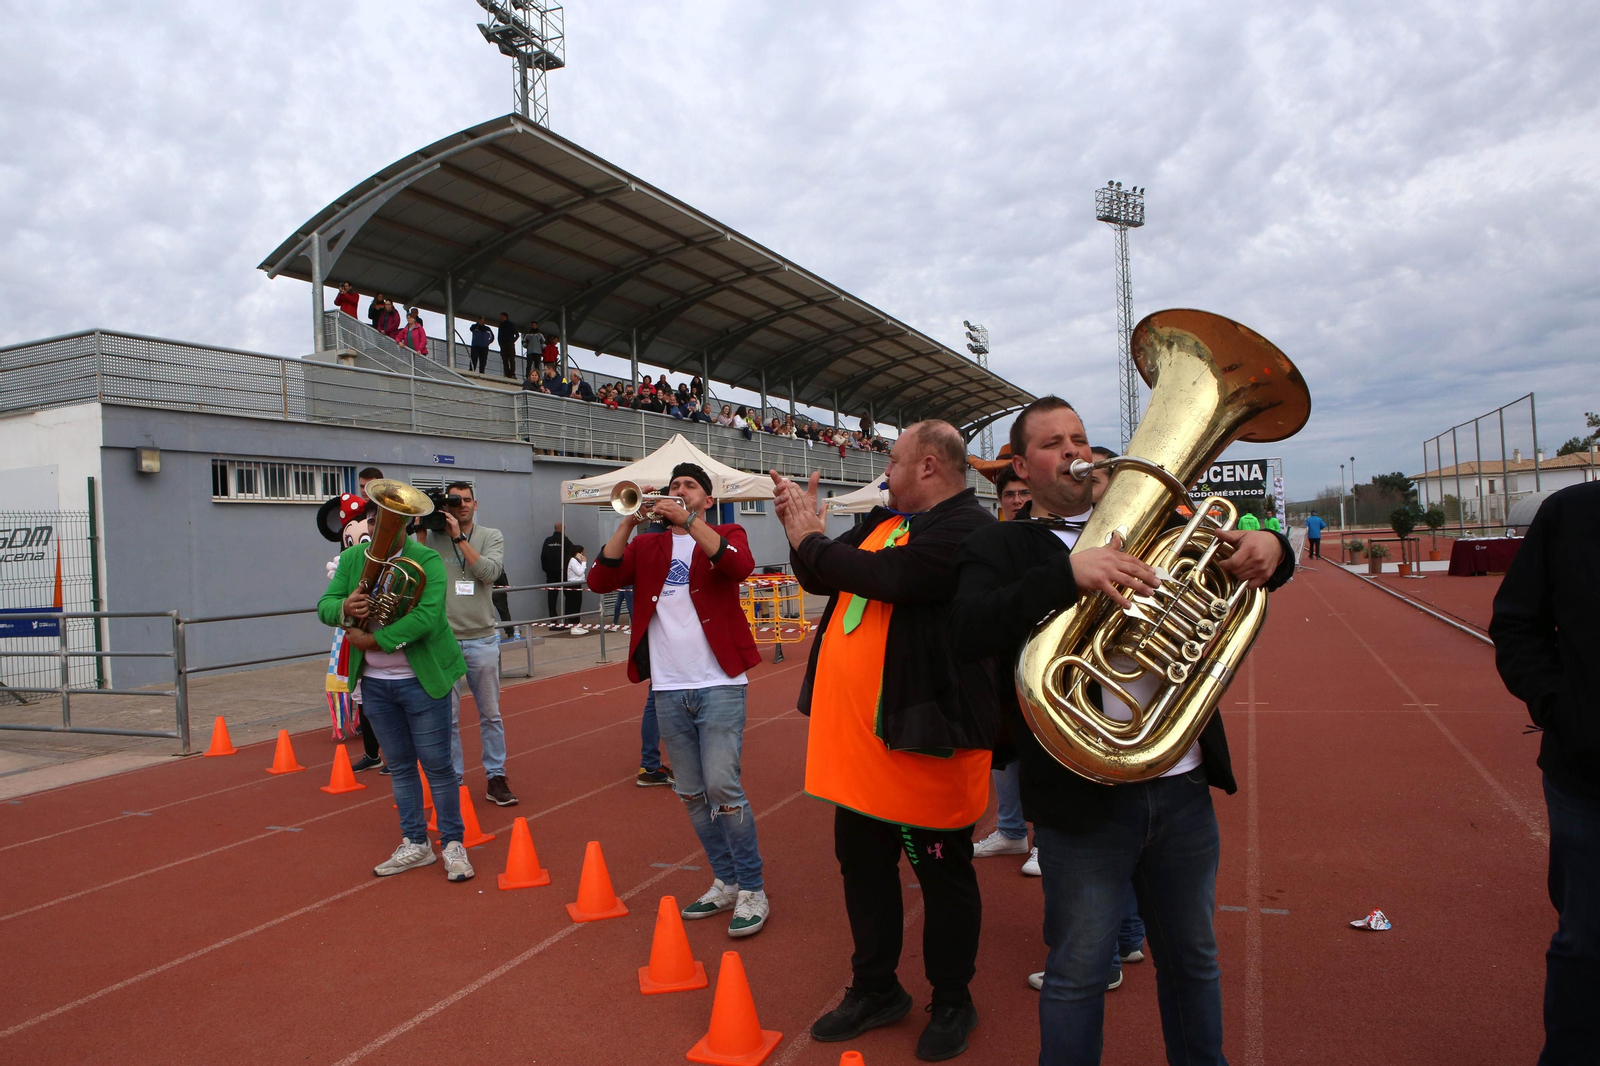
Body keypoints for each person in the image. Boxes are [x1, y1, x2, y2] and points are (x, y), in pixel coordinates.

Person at [949, 396, 1294, 1066]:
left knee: (1193, 960)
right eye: (1053, 443)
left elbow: (1259, 566)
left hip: (1181, 785)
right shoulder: (999, 543)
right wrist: (1065, 575)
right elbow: (965, 631)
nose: (1075, 450)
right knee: (1078, 971)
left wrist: (1273, 550)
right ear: (1021, 465)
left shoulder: (1165, 522)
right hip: (1081, 799)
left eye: (1080, 436)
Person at [771, 421, 996, 1061]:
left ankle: (953, 998)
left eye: (892, 461)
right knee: (863, 868)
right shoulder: (882, 521)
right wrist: (802, 534)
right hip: (857, 749)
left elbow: (888, 579)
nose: (884, 472)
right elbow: (822, 574)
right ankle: (876, 988)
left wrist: (811, 538)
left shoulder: (968, 529)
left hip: (924, 744)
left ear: (927, 466)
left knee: (943, 873)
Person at [586, 462, 768, 938]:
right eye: (673, 487)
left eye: (689, 487)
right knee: (690, 793)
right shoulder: (648, 544)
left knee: (723, 787)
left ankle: (751, 886)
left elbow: (739, 566)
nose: (678, 491)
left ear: (707, 499)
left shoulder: (727, 530)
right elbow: (600, 581)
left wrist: (689, 522)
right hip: (668, 687)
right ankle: (725, 879)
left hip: (720, 684)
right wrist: (628, 519)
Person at [1490, 480, 1600, 1065]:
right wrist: (1562, 710)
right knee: (1586, 945)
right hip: (1587, 774)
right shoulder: (1571, 513)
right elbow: (1515, 623)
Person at [319, 492, 474, 882]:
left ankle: (453, 844)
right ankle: (415, 843)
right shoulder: (354, 559)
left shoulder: (427, 560)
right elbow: (325, 604)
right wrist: (344, 609)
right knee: (401, 768)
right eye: (373, 522)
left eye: (386, 522)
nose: (377, 529)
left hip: (423, 680)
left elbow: (426, 616)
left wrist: (376, 640)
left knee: (439, 767)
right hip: (375, 684)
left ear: (406, 524)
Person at [417, 482, 518, 808]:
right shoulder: (431, 537)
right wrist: (420, 532)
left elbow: (490, 573)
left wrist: (459, 537)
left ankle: (496, 777)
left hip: (482, 638)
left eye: (465, 500)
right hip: (443, 640)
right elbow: (416, 576)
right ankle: (454, 782)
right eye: (453, 500)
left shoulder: (491, 535)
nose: (459, 505)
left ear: (475, 503)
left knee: (490, 714)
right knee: (447, 719)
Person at [540, 522, 575, 621]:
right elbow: (572, 554)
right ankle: (569, 619)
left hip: (551, 574)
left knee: (552, 598)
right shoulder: (565, 541)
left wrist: (547, 570)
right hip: (563, 573)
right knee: (569, 596)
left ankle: (553, 620)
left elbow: (543, 557)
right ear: (563, 529)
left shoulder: (548, 541)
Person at [564, 545, 587, 633]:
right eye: (582, 553)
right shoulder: (573, 561)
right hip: (573, 585)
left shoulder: (577, 561)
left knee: (578, 605)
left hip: (578, 584)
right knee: (573, 605)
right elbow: (579, 572)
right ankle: (573, 625)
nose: (583, 555)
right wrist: (584, 563)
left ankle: (577, 624)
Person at [496, 313, 519, 379]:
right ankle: (507, 374)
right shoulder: (501, 325)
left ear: (505, 316)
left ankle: (512, 373)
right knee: (505, 360)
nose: (500, 318)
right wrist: (500, 343)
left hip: (509, 344)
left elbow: (516, 334)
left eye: (501, 316)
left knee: (511, 359)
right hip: (503, 344)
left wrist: (512, 341)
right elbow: (499, 336)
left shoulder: (510, 324)